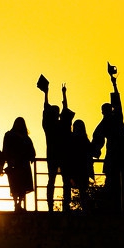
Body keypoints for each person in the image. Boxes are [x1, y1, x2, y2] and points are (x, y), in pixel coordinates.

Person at [90, 63, 124, 212]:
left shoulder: (114, 119)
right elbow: (97, 138)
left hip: (122, 153)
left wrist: (114, 84)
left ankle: (122, 205)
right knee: (116, 181)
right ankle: (114, 205)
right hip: (118, 154)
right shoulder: (110, 122)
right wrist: (95, 150)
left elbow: (117, 103)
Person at [39, 77, 75, 211]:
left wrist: (59, 94)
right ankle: (63, 205)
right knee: (61, 181)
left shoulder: (50, 127)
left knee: (54, 180)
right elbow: (62, 109)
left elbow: (62, 109)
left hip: (56, 155)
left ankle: (54, 205)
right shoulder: (58, 126)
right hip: (60, 155)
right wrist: (60, 94)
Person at [2, 117, 36, 211]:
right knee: (14, 185)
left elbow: (31, 150)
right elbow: (5, 149)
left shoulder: (26, 137)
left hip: (24, 164)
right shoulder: (9, 135)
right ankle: (16, 204)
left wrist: (31, 156)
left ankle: (19, 204)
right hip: (14, 164)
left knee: (22, 186)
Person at [63, 118, 96, 209]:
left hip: (74, 168)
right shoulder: (85, 140)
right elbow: (92, 151)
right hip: (82, 168)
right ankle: (84, 208)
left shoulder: (71, 140)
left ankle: (66, 207)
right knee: (83, 190)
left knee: (69, 187)